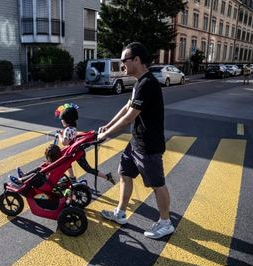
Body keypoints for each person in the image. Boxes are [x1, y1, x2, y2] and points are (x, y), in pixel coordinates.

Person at [97, 42, 174, 239]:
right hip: (136, 143)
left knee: (157, 185)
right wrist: (108, 125)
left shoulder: (147, 83)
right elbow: (126, 108)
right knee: (124, 173)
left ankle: (166, 223)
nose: (122, 64)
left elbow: (129, 117)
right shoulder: (139, 82)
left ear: (137, 60)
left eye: (125, 60)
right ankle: (120, 213)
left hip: (148, 146)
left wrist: (105, 135)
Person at [55, 103, 115, 185]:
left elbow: (64, 142)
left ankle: (107, 177)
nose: (61, 120)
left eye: (62, 119)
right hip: (75, 150)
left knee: (88, 169)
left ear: (67, 120)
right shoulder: (72, 128)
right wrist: (63, 134)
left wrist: (59, 135)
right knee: (66, 162)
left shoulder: (67, 130)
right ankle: (72, 178)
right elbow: (69, 138)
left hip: (77, 153)